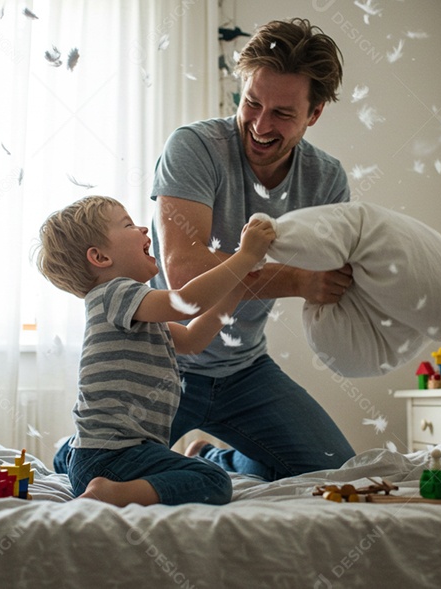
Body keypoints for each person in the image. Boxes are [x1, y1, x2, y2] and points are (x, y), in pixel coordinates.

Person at [149, 18, 356, 481]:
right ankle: (72, 450)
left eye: (282, 113)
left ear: (314, 114)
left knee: (335, 473)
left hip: (244, 369)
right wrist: (298, 281)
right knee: (107, 471)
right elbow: (185, 272)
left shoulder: (326, 180)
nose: (260, 125)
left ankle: (214, 458)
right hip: (159, 362)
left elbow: (336, 277)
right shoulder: (194, 147)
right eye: (252, 103)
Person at [37, 195, 276, 506]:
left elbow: (193, 339)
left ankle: (72, 462)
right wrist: (244, 257)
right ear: (100, 257)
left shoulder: (133, 312)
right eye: (128, 225)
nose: (143, 230)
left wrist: (237, 287)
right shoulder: (114, 293)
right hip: (112, 456)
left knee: (198, 475)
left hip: (110, 454)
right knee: (214, 481)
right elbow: (187, 302)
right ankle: (112, 493)